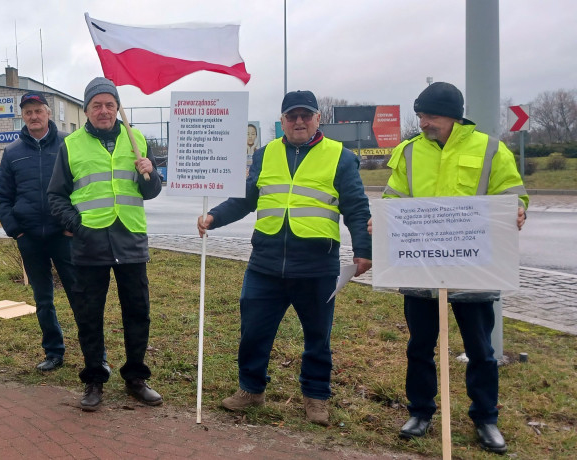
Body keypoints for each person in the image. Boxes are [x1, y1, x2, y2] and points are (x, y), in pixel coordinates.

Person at [196, 90, 372, 426]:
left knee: (318, 337)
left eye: (306, 115)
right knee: (253, 332)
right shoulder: (265, 155)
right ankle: (251, 389)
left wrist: (364, 250)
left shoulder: (340, 157)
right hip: (265, 263)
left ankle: (316, 396)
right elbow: (246, 198)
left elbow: (356, 206)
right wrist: (214, 216)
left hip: (317, 266)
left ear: (318, 119)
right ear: (283, 121)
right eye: (292, 116)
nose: (299, 121)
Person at [376, 82, 527, 453]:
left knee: (480, 349)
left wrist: (519, 210)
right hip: (422, 268)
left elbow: (511, 194)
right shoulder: (409, 152)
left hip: (473, 268)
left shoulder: (491, 149)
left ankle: (486, 418)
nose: (424, 122)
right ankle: (421, 412)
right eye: (421, 115)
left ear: (454, 116)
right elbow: (394, 198)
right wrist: (383, 221)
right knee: (420, 346)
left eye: (432, 116)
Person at [47, 77, 163, 411]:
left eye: (109, 104)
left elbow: (151, 191)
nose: (104, 111)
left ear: (117, 108)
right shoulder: (71, 145)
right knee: (89, 314)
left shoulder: (136, 138)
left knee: (138, 312)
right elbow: (56, 195)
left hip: (130, 240)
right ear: (86, 110)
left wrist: (150, 173)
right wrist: (75, 225)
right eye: (96, 105)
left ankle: (136, 378)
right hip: (90, 242)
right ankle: (94, 378)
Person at [0, 92, 78, 372]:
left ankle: (93, 353)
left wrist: (72, 226)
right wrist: (16, 230)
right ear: (23, 116)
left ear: (48, 113)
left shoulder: (69, 144)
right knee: (43, 300)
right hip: (29, 238)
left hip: (63, 236)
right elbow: (1, 196)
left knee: (80, 295)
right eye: (28, 112)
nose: (34, 116)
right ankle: (54, 352)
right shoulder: (13, 152)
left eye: (38, 111)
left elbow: (82, 189)